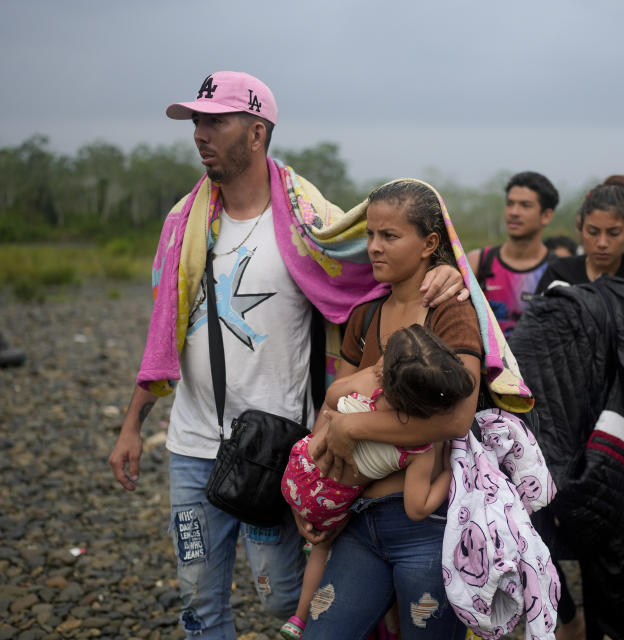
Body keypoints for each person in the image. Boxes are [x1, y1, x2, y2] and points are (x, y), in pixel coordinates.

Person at [107, 72, 464, 639]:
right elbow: (164, 330)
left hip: (276, 446)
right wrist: (132, 424)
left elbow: (374, 279)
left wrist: (440, 270)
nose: (201, 132)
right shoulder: (184, 223)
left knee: (280, 598)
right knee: (199, 602)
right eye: (196, 120)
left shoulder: (310, 225)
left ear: (256, 132)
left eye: (215, 120)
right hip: (192, 445)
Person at [300, 179, 488, 639]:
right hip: (357, 521)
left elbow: (457, 418)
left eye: (389, 236)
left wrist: (355, 427)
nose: (374, 248)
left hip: (426, 529)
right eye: (370, 235)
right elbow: (334, 407)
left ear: (429, 244)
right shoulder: (364, 318)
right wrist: (313, 495)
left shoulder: (450, 312)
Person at [279, 324, 473, 639]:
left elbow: (331, 396)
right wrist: (452, 471)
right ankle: (302, 618)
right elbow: (417, 507)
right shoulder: (418, 447)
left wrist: (366, 384)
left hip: (299, 472)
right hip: (340, 507)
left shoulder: (366, 384)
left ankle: (300, 617)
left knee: (318, 557)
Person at [534, 181, 624, 640]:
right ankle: (564, 614)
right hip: (558, 419)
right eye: (593, 231)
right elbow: (539, 344)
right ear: (580, 228)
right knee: (539, 519)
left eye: (614, 233)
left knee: (607, 533)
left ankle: (606, 631)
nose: (602, 243)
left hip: (614, 420)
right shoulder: (560, 273)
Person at [467, 171, 558, 336]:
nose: (514, 212)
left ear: (546, 216)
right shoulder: (478, 262)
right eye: (510, 204)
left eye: (525, 205)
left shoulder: (558, 269)